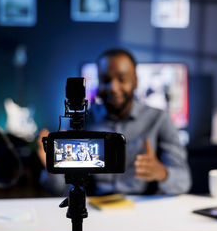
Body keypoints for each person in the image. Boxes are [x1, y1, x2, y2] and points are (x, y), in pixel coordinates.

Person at [37, 48, 191, 196]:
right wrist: (52, 167)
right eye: (105, 80)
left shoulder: (159, 119)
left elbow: (184, 181)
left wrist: (162, 173)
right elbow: (58, 189)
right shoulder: (82, 121)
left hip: (142, 210)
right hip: (94, 210)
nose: (113, 88)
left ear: (135, 82)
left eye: (122, 79)